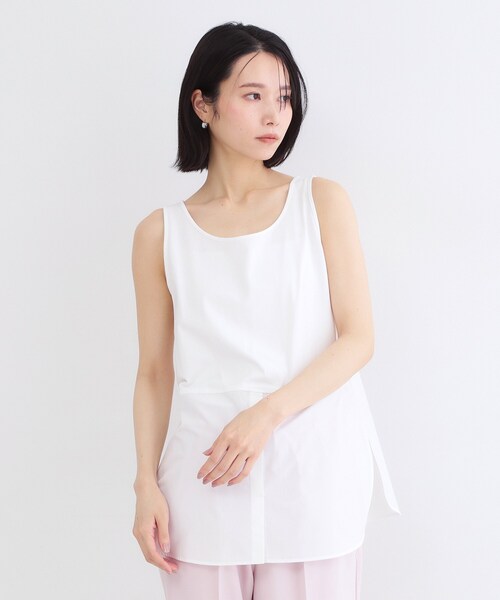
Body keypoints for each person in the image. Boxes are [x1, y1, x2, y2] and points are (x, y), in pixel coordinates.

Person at [131, 21, 401, 600]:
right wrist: (145, 484)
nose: (274, 115)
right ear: (203, 105)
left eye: (283, 97)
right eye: (252, 95)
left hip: (312, 477)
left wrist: (266, 415)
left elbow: (358, 338)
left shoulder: (320, 202)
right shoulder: (160, 233)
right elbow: (154, 371)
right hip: (202, 482)